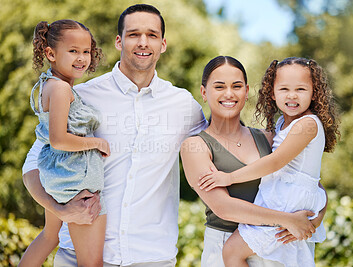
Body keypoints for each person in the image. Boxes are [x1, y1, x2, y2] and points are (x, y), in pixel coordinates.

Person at [22, 4, 207, 267]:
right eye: (133, 34)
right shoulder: (82, 97)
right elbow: (32, 167)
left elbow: (218, 147)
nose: (143, 42)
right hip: (76, 256)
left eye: (152, 35)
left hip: (151, 258)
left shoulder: (183, 104)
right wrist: (60, 210)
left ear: (163, 44)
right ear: (119, 41)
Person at [180, 56, 328, 267]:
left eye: (237, 86)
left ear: (247, 91)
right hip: (225, 250)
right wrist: (287, 220)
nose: (229, 93)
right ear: (204, 93)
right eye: (219, 86)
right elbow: (224, 208)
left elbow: (312, 181)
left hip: (275, 249)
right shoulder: (195, 147)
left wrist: (315, 219)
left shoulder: (267, 138)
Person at [19, 19, 108, 267]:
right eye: (73, 51)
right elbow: (58, 139)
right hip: (76, 183)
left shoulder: (50, 84)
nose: (81, 58)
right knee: (91, 263)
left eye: (86, 51)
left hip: (59, 175)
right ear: (50, 53)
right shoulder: (60, 89)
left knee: (50, 236)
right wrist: (95, 143)